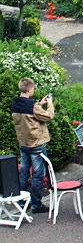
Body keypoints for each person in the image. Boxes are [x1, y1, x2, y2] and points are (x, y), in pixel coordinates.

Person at [11, 77, 54, 214]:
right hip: (36, 144)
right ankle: (36, 204)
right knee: (37, 175)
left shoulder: (15, 103)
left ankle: (22, 201)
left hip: (23, 143)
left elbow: (29, 113)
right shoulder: (33, 106)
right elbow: (47, 117)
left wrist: (38, 104)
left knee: (23, 173)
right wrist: (49, 104)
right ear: (29, 89)